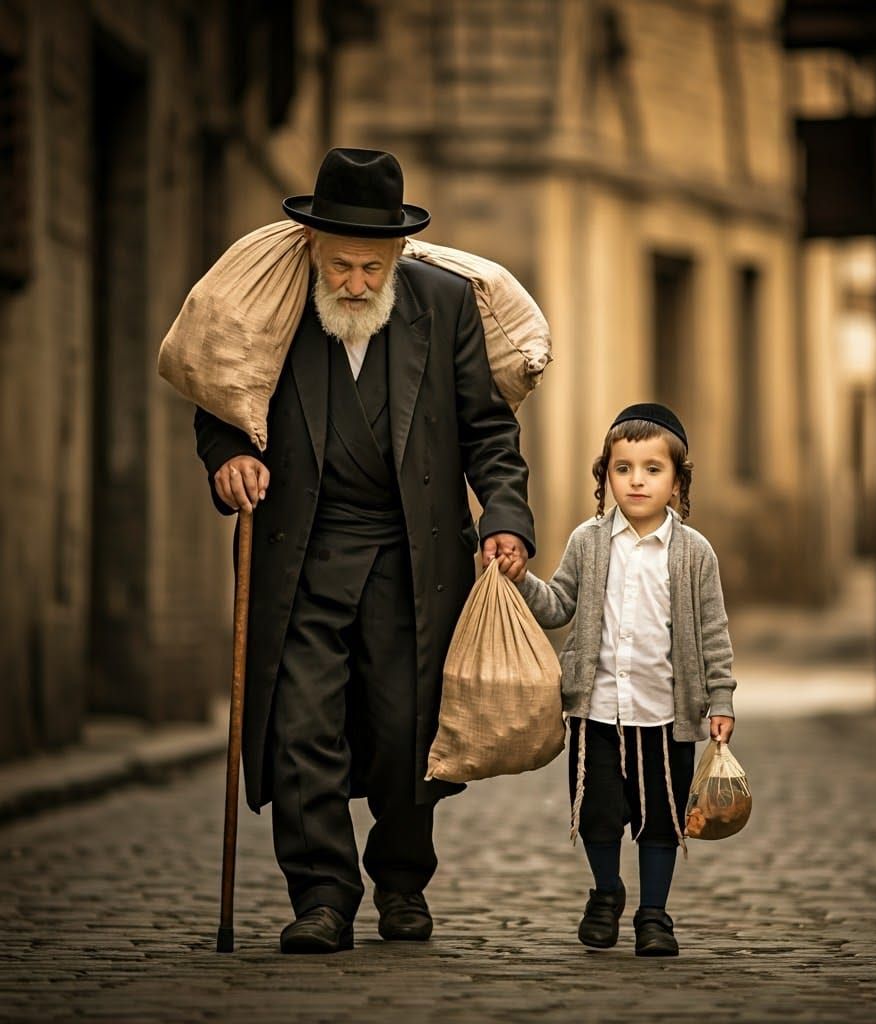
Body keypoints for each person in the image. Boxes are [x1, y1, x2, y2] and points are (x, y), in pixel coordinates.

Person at [194, 148, 534, 953]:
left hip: (412, 555)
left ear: (397, 256)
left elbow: (490, 430)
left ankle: (402, 880)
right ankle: (321, 896)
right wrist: (228, 458)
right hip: (303, 550)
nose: (353, 282)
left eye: (369, 267)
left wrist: (506, 517)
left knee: (406, 731)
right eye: (340, 265)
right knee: (299, 727)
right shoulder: (274, 306)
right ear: (312, 247)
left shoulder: (445, 306)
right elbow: (222, 399)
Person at [512, 403, 736, 957]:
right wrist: (520, 582)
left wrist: (721, 698)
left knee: (662, 820)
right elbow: (560, 603)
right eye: (623, 468)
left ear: (678, 481)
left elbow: (713, 631)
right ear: (605, 475)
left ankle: (654, 915)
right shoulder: (589, 542)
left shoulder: (694, 552)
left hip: (667, 713)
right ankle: (606, 892)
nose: (636, 480)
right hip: (598, 710)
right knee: (598, 813)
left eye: (652, 469)